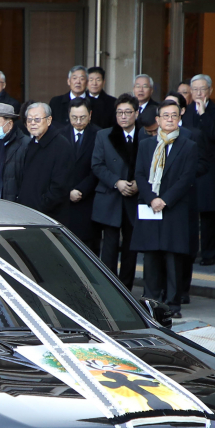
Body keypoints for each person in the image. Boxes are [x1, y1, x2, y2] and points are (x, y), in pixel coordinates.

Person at [130, 100, 198, 317]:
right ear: (157, 120)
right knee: (151, 256)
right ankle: (151, 301)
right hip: (150, 206)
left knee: (173, 257)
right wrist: (152, 199)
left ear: (179, 119)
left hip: (174, 207)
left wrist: (165, 200)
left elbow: (186, 178)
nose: (169, 119)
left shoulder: (188, 145)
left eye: (174, 115)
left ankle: (173, 304)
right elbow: (139, 174)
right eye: (165, 115)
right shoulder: (146, 145)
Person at [92, 95, 142, 289]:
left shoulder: (145, 135)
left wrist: (139, 183)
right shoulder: (104, 135)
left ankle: (127, 289)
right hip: (111, 196)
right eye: (119, 112)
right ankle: (110, 290)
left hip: (135, 197)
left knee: (132, 247)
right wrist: (116, 182)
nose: (123, 116)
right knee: (110, 248)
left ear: (136, 113)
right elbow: (97, 165)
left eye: (127, 112)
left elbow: (149, 166)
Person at [182, 74, 215, 266]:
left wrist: (203, 114)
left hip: (209, 167)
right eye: (195, 89)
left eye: (203, 89)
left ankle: (209, 254)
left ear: (210, 91)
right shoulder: (183, 112)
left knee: (209, 213)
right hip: (188, 167)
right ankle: (189, 250)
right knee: (189, 212)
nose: (199, 93)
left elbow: (214, 135)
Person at [16, 102, 74, 221]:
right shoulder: (31, 144)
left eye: (37, 120)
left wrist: (41, 206)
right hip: (28, 213)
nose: (32, 123)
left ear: (49, 120)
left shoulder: (61, 145)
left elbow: (59, 187)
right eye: (29, 120)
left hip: (48, 216)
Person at [64, 98, 100, 252]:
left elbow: (98, 168)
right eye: (74, 117)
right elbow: (57, 169)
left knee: (88, 247)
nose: (78, 121)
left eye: (82, 117)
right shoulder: (60, 135)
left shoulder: (99, 135)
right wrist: (68, 190)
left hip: (89, 199)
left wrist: (82, 190)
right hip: (65, 199)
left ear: (90, 115)